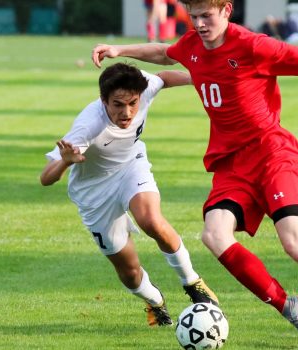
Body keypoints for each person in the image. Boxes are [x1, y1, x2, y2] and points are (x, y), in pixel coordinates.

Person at [92, 0, 298, 346]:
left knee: (295, 242)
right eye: (193, 17)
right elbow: (164, 51)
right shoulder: (193, 44)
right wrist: (119, 49)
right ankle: (289, 305)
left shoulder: (253, 45)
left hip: (272, 156)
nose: (199, 24)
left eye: (206, 16)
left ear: (226, 10)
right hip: (232, 165)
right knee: (214, 235)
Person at [40, 62, 219, 327]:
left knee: (151, 221)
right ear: (104, 101)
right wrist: (66, 161)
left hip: (130, 167)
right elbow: (46, 178)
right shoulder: (88, 125)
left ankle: (193, 283)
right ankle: (155, 300)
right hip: (94, 192)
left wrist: (199, 79)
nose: (127, 112)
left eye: (133, 104)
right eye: (118, 105)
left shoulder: (142, 88)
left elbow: (164, 77)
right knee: (129, 270)